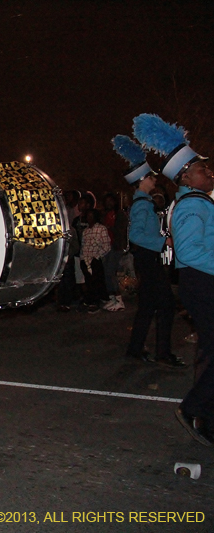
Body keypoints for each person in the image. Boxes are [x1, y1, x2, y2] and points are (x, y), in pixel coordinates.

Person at [133, 113, 211, 445]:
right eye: (201, 169)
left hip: (192, 276)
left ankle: (203, 414)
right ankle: (195, 408)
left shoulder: (194, 201)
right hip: (194, 278)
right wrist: (163, 244)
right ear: (186, 176)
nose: (208, 171)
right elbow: (139, 236)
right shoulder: (189, 205)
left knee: (161, 313)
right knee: (156, 309)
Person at [112, 134, 181, 366]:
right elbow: (136, 235)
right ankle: (163, 352)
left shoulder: (142, 203)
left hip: (147, 259)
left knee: (148, 306)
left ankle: (136, 348)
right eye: (150, 177)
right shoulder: (143, 204)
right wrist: (164, 243)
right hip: (149, 259)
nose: (154, 180)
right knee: (166, 305)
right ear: (142, 180)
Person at [101, 192, 128, 311]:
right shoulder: (105, 214)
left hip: (115, 246)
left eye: (110, 201)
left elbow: (121, 230)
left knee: (110, 272)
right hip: (106, 246)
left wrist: (110, 228)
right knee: (106, 273)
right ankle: (112, 298)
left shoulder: (119, 214)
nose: (108, 203)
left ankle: (119, 299)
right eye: (106, 201)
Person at [80, 209, 111, 313]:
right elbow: (83, 246)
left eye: (91, 216)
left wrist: (97, 257)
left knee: (96, 281)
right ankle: (90, 301)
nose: (89, 218)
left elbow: (107, 246)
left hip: (95, 259)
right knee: (88, 281)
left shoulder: (101, 229)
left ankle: (95, 302)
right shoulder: (86, 231)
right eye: (88, 216)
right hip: (85, 258)